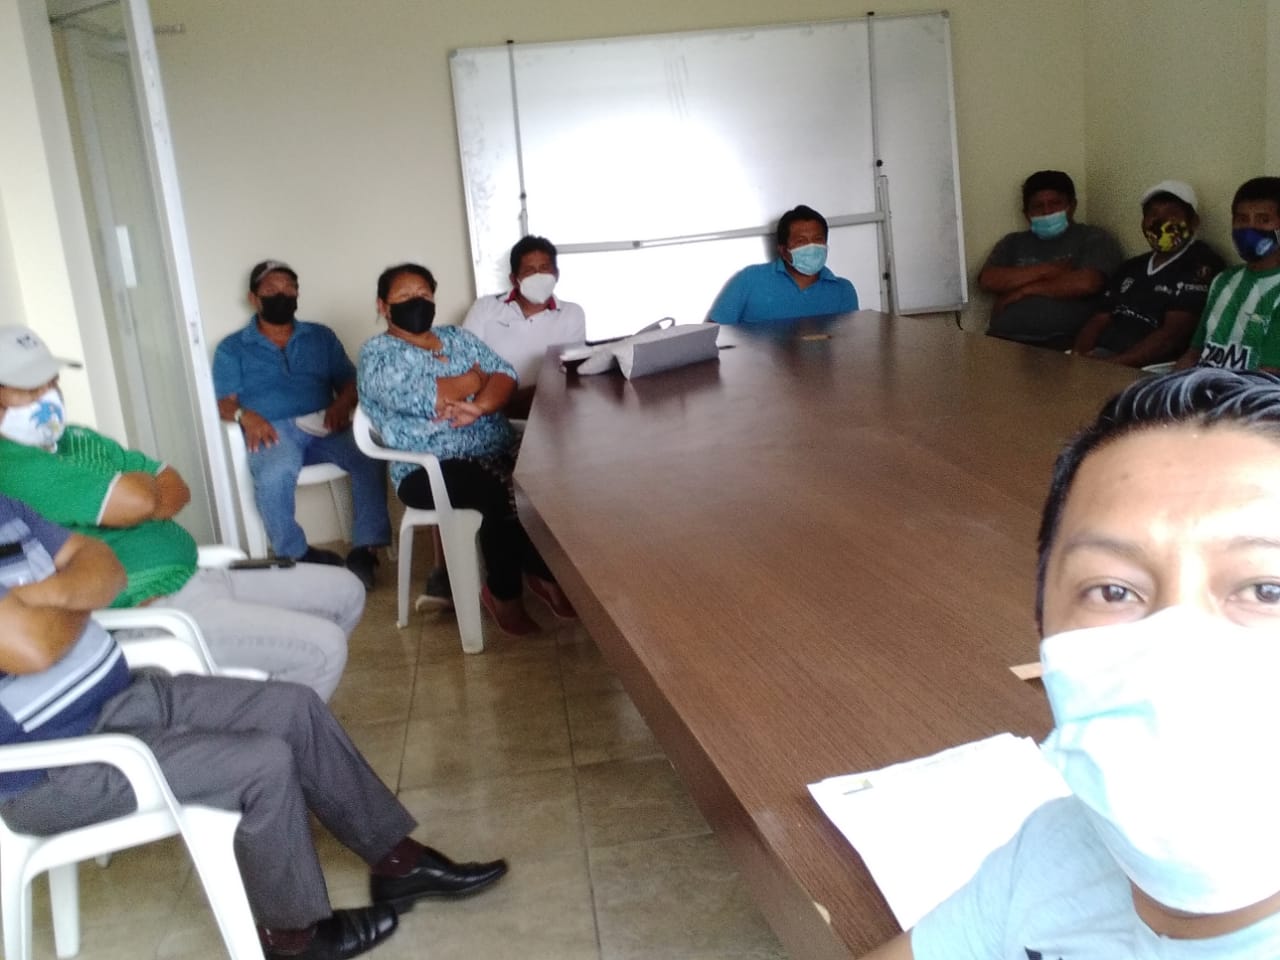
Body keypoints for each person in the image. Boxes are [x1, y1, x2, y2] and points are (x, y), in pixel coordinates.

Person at [864, 367, 1280, 959]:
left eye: (1267, 590)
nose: (1175, 657)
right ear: (1043, 631)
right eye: (1113, 591)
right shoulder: (1054, 851)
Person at [0, 492, 507, 960]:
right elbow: (32, 647)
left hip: (123, 698)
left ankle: (397, 863)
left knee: (294, 708)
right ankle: (292, 938)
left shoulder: (7, 508)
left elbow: (106, 568)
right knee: (263, 764)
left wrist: (40, 602)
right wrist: (73, 595)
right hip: (53, 767)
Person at [0, 325, 363, 701]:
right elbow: (141, 501)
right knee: (324, 649)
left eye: (52, 383)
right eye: (31, 389)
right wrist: (138, 494)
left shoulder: (76, 439)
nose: (49, 397)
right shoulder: (11, 466)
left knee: (347, 592)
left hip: (195, 575)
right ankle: (283, 718)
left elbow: (176, 487)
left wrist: (134, 498)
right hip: (155, 607)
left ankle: (279, 704)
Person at [357, 262, 576, 636]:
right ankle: (508, 591)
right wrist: (474, 379)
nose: (416, 301)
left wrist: (481, 405)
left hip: (494, 446)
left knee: (549, 476)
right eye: (405, 296)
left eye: (424, 294)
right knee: (501, 490)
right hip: (427, 467)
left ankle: (546, 575)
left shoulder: (456, 337)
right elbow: (426, 396)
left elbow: (505, 374)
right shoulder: (378, 353)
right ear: (383, 306)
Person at [212, 260, 392, 589]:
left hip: (325, 425)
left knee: (370, 453)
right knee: (274, 473)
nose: (281, 295)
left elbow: (351, 381)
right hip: (272, 430)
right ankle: (296, 554)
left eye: (288, 288)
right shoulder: (233, 347)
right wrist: (245, 416)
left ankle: (366, 550)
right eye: (271, 290)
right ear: (254, 298)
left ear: (297, 294)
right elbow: (224, 402)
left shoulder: (320, 337)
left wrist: (341, 403)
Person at [1073, 180, 1223, 366]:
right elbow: (1099, 318)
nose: (1160, 221)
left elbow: (1172, 336)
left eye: (1172, 214)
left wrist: (1111, 366)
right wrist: (1078, 357)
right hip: (1101, 359)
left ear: (1193, 221)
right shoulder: (1132, 266)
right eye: (1153, 214)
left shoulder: (1202, 265)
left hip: (1148, 368)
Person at [980, 170, 1123, 348]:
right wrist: (1048, 270)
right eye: (1038, 206)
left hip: (1062, 345)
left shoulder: (1093, 238)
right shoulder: (1012, 242)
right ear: (1027, 214)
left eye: (1055, 203)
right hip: (1002, 341)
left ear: (1072, 205)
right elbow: (988, 280)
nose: (1047, 211)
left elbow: (1087, 283)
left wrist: (1022, 291)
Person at [462, 235, 587, 419]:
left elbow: (570, 373)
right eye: (529, 270)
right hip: (489, 411)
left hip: (549, 412)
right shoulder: (485, 308)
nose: (538, 276)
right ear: (514, 279)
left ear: (556, 274)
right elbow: (464, 361)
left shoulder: (572, 314)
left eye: (544, 268)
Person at [1175, 176, 1280, 372]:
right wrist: (1168, 385)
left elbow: (1270, 375)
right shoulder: (1223, 280)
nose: (1250, 228)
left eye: (1263, 220)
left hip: (1251, 389)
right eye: (1242, 219)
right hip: (1201, 382)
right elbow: (1194, 353)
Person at [708, 204, 859, 324]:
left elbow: (851, 344)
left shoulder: (843, 290)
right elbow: (713, 336)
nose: (812, 247)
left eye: (818, 239)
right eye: (801, 241)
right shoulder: (750, 280)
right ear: (783, 250)